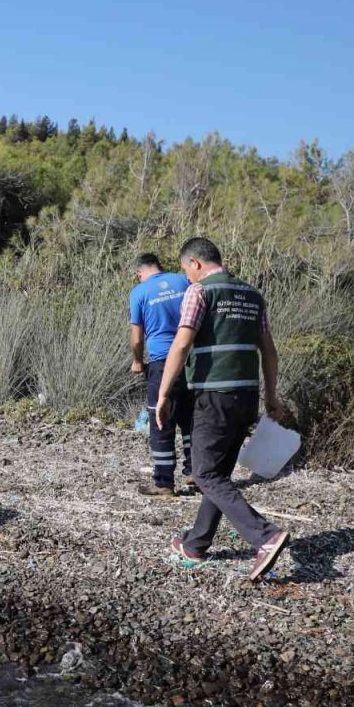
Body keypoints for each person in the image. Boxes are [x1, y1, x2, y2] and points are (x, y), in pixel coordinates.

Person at [156, 237, 293, 582]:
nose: (187, 278)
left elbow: (182, 343)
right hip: (246, 395)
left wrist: (163, 393)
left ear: (196, 264)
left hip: (213, 395)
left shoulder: (200, 292)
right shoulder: (252, 295)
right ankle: (196, 544)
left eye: (187, 270)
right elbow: (270, 352)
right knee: (218, 474)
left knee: (206, 474)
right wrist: (271, 396)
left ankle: (265, 536)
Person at [128, 252, 193, 498]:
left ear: (139, 272)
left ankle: (164, 482)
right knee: (191, 418)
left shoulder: (139, 292)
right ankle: (195, 473)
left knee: (160, 419)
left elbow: (137, 336)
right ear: (160, 265)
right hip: (190, 358)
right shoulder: (183, 281)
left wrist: (136, 361)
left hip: (161, 360)